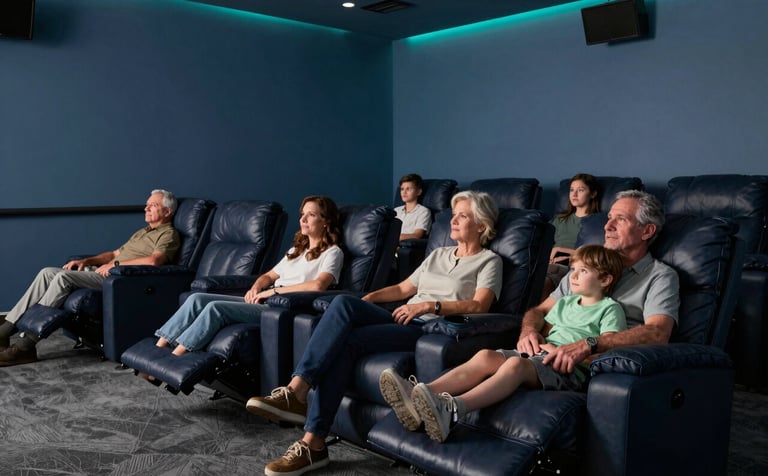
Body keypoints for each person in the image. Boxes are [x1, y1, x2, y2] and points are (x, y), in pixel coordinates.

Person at [246, 190, 502, 476]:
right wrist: (366, 300)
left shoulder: (489, 261)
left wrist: (432, 305)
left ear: (481, 225)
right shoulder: (439, 254)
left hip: (428, 328)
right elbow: (404, 289)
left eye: (462, 216)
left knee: (347, 343)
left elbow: (480, 304)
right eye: (453, 215)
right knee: (344, 306)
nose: (453, 220)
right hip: (402, 316)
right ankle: (303, 411)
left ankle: (309, 433)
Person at [379, 244, 626, 443]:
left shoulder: (610, 309)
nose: (573, 276)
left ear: (604, 279)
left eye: (583, 271)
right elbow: (546, 330)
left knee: (514, 367)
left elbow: (607, 349)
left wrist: (562, 352)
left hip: (568, 369)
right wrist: (536, 338)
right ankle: (419, 394)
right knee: (486, 355)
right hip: (539, 356)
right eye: (573, 269)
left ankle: (452, 409)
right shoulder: (564, 303)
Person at [0, 189, 180, 367]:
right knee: (47, 272)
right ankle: (5, 331)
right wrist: (86, 260)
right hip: (105, 272)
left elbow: (155, 260)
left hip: (121, 280)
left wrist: (115, 266)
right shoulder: (142, 232)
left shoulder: (168, 234)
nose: (146, 209)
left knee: (63, 278)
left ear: (167, 211)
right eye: (146, 205)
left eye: (153, 205)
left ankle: (25, 346)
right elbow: (114, 253)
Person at [152, 195, 344, 358]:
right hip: (267, 299)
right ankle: (157, 352)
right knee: (196, 298)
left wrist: (273, 292)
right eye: (302, 214)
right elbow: (268, 275)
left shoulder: (333, 253)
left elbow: (318, 285)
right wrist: (257, 288)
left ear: (326, 221)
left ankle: (174, 359)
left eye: (311, 215)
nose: (303, 219)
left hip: (283, 308)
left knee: (215, 308)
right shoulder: (296, 250)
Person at [520, 189, 679, 377]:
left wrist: (589, 344)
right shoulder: (585, 267)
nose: (607, 226)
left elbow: (658, 333)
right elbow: (541, 310)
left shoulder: (660, 276)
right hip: (546, 352)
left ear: (646, 231)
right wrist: (528, 331)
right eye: (609, 218)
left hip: (592, 367)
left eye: (620, 219)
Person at [543, 173, 600, 297]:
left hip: (570, 265)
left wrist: (560, 250)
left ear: (593, 194)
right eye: (571, 190)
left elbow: (594, 254)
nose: (574, 194)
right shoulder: (559, 219)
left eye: (580, 190)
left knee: (544, 282)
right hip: (549, 262)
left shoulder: (596, 223)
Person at [395, 173, 432, 241]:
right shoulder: (396, 211)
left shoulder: (423, 211)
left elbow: (417, 235)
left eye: (408, 189)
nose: (404, 192)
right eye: (402, 189)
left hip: (404, 246)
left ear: (418, 192)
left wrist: (393, 238)